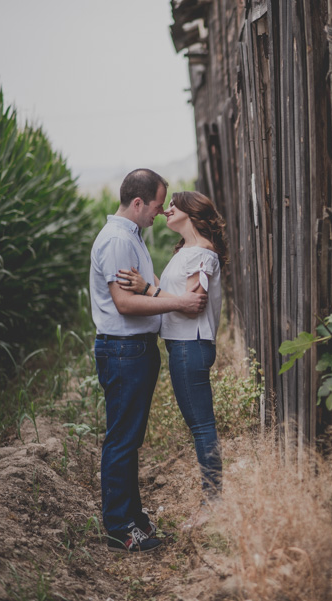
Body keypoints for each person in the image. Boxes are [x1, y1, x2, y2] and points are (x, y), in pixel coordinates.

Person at [89, 169, 207, 553]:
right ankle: (120, 528)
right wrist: (182, 303)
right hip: (123, 351)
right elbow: (125, 303)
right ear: (138, 203)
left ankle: (133, 516)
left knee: (130, 437)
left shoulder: (131, 237)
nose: (160, 212)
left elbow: (145, 287)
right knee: (122, 439)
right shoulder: (117, 242)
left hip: (134, 351)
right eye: (157, 205)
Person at [117, 190, 228, 518]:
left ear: (191, 214)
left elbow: (193, 304)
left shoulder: (203, 255)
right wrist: (145, 277)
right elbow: (173, 292)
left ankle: (213, 503)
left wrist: (146, 289)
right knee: (200, 423)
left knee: (202, 425)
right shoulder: (187, 252)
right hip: (183, 345)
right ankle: (213, 499)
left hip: (190, 344)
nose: (167, 210)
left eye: (174, 206)